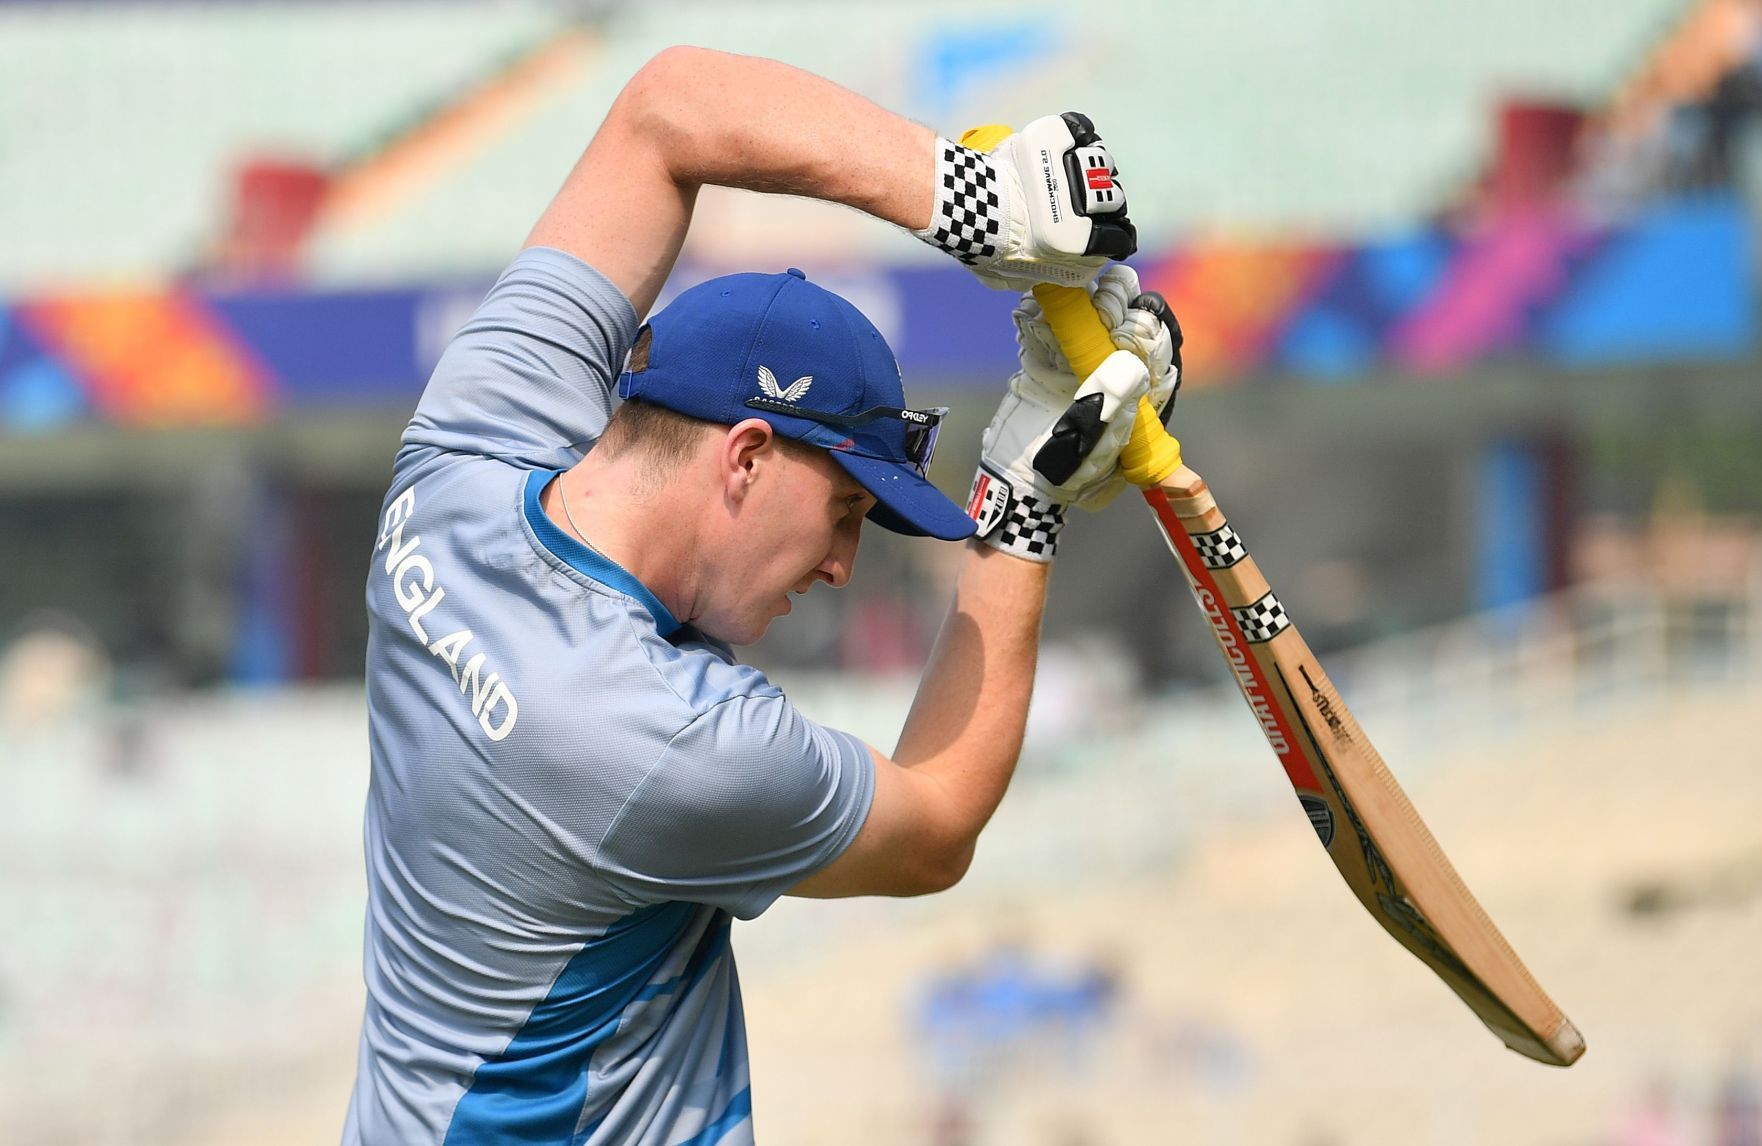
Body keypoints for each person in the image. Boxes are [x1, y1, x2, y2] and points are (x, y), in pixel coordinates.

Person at [342, 46, 1179, 1145]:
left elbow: (665, 111)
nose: (840, 567)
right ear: (743, 457)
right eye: (842, 513)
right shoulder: (665, 741)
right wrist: (1025, 495)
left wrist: (968, 202)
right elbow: (935, 827)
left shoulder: (463, 459)